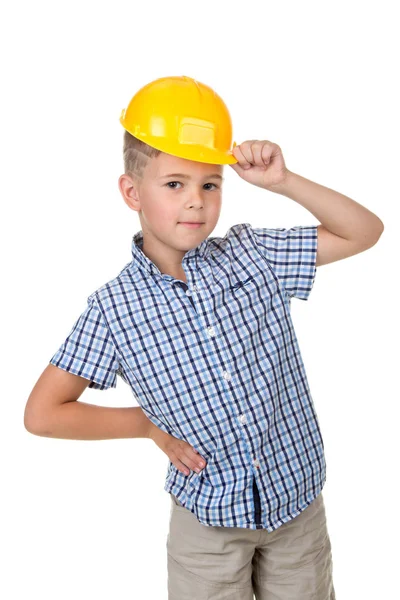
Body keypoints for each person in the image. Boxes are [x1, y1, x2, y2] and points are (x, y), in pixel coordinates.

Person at [24, 75, 384, 599]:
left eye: (209, 184)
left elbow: (364, 231)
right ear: (132, 192)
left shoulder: (253, 255)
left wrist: (284, 182)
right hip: (207, 526)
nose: (196, 201)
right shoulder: (114, 309)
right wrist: (148, 426)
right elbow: (43, 413)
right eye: (174, 184)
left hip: (297, 507)